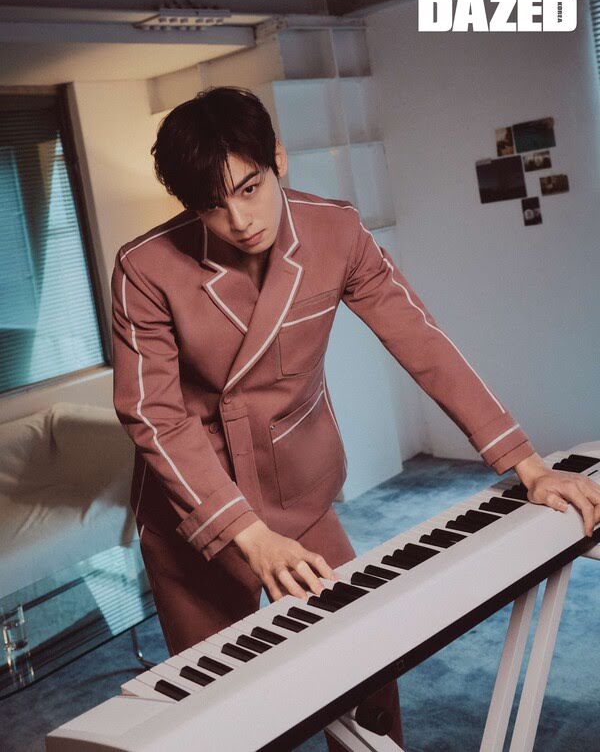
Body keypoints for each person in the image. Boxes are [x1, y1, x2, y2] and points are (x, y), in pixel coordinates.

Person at [111, 86, 600, 751]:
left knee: (368, 677)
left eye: (250, 188)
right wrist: (248, 536)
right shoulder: (144, 268)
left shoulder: (335, 232)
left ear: (278, 158)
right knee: (221, 715)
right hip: (195, 514)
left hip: (299, 490)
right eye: (212, 205)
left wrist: (527, 464)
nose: (240, 220)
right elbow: (154, 416)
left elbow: (423, 343)